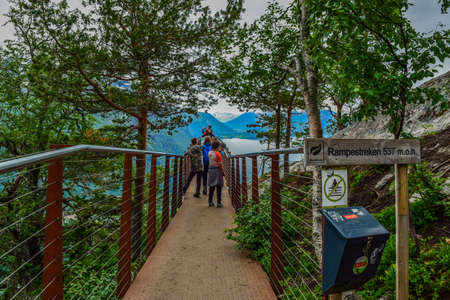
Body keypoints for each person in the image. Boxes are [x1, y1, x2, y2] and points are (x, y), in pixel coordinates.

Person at [207, 141, 224, 207]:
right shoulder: (218, 154)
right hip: (217, 170)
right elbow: (220, 164)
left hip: (211, 170)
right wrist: (222, 172)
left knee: (211, 186)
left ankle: (210, 202)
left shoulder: (210, 153)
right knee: (219, 186)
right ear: (217, 146)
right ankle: (219, 203)